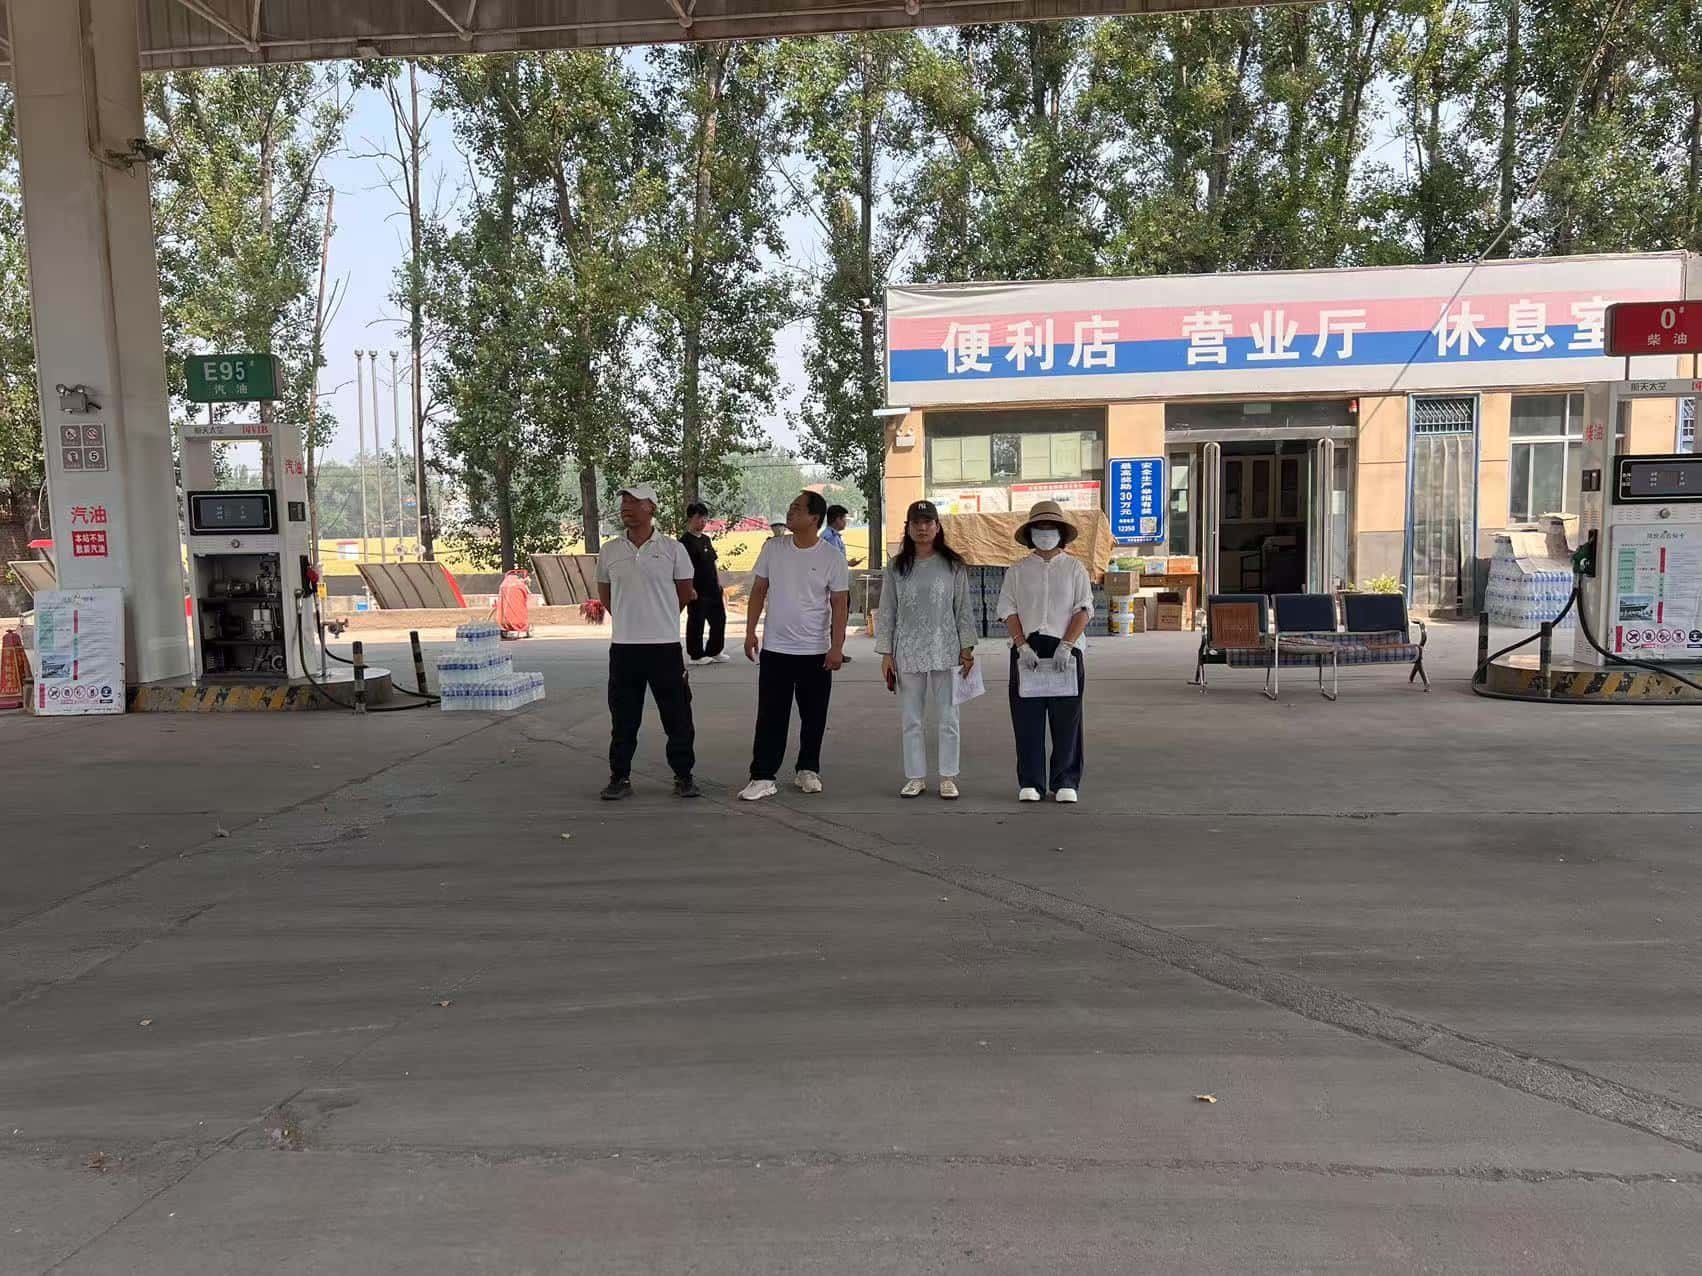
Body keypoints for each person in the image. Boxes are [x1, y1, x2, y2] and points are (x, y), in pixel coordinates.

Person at [739, 490, 850, 801]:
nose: (790, 512)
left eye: (797, 509)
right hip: (776, 648)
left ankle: (808, 769)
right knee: (770, 715)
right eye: (790, 507)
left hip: (815, 649)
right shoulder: (773, 549)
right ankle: (763, 776)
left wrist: (836, 646)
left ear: (814, 518)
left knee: (814, 716)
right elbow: (759, 590)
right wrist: (750, 632)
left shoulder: (831, 557)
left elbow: (840, 604)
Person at [596, 483, 698, 801]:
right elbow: (606, 594)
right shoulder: (610, 551)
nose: (626, 506)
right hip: (624, 648)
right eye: (623, 501)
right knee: (623, 718)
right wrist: (630, 618)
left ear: (651, 507)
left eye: (634, 501)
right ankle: (619, 777)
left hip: (664, 647)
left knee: (677, 716)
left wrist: (660, 617)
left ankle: (684, 776)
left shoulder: (673, 549)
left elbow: (685, 592)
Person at [875, 500, 977, 800]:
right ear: (907, 527)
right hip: (907, 650)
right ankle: (915, 776)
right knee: (912, 718)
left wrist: (967, 649)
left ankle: (948, 776)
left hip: (946, 648)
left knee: (949, 717)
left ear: (937, 526)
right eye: (916, 523)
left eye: (927, 522)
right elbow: (887, 611)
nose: (922, 528)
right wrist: (886, 654)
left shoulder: (953, 565)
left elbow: (963, 609)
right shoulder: (896, 567)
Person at [995, 499, 1093, 804]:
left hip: (1066, 647)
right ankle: (1031, 781)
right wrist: (1021, 644)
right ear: (1031, 533)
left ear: (1061, 533)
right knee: (1027, 719)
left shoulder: (1075, 568)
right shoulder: (1017, 571)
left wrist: (1067, 644)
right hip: (1028, 648)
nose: (1046, 533)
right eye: (1040, 527)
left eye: (1051, 528)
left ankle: (1066, 780)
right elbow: (1008, 609)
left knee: (1067, 718)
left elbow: (1084, 609)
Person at [679, 502, 728, 665]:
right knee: (697, 621)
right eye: (699, 518)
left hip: (713, 588)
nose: (703, 521)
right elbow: (683, 568)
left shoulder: (706, 539)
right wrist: (689, 588)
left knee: (719, 619)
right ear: (690, 518)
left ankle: (714, 650)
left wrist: (719, 584)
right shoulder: (684, 542)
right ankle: (696, 655)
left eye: (705, 518)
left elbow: (713, 562)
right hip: (697, 589)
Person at [821, 504, 857, 659]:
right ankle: (834, 651)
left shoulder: (834, 537)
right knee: (837, 618)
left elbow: (837, 560)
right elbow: (830, 562)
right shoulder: (828, 538)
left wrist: (848, 563)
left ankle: (837, 650)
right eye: (844, 519)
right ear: (836, 519)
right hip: (834, 586)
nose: (845, 522)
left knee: (840, 617)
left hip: (839, 583)